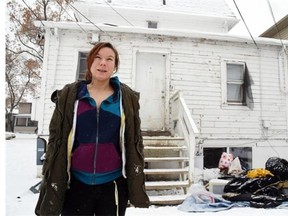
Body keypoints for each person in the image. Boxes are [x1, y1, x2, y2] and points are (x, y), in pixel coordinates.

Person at [35, 42, 150, 216]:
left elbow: (134, 142)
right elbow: (56, 138)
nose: (103, 63)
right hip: (75, 184)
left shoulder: (125, 99)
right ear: (89, 62)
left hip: (112, 186)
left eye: (109, 59)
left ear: (115, 66)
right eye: (98, 57)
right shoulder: (71, 96)